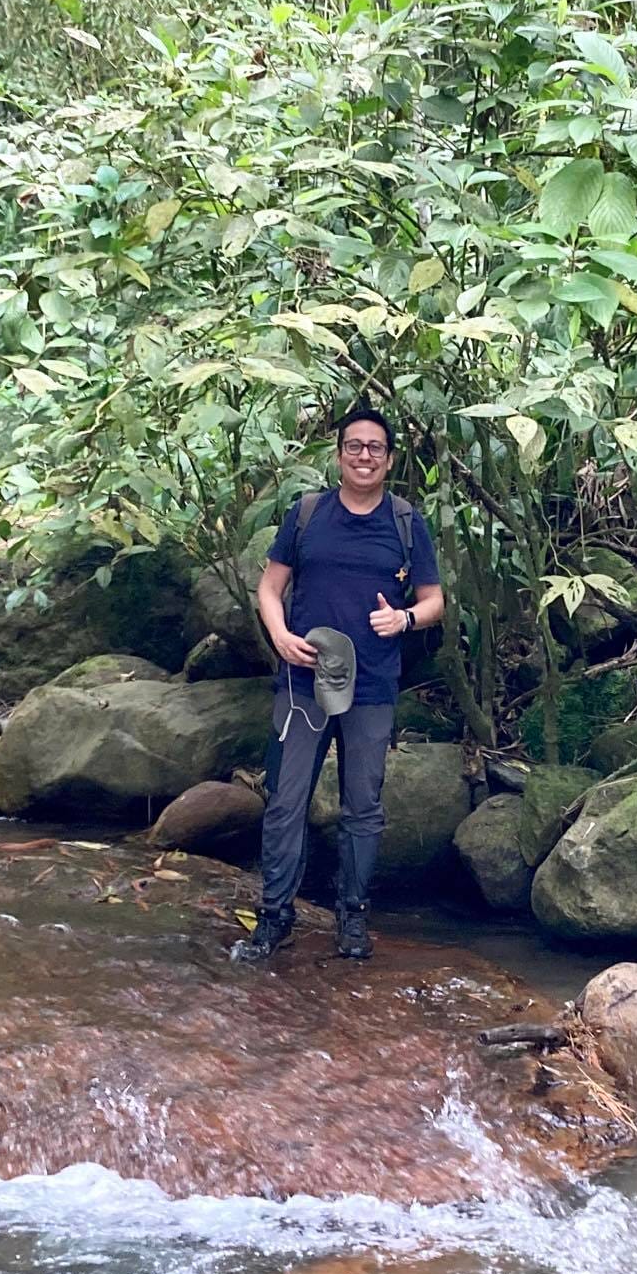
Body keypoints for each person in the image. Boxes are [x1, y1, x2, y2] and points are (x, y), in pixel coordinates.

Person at [231, 407, 444, 962]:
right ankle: (274, 917)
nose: (364, 456)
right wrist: (280, 636)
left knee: (362, 807)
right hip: (302, 683)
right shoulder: (307, 515)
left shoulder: (406, 522)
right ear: (339, 454)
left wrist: (404, 619)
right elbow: (270, 588)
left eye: (375, 448)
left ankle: (352, 918)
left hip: (372, 685)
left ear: (389, 460)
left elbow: (434, 601)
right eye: (354, 446)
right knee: (286, 801)